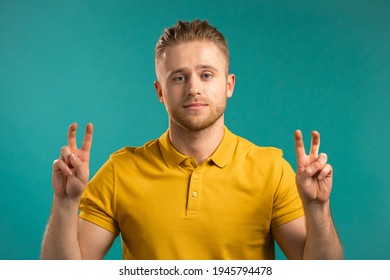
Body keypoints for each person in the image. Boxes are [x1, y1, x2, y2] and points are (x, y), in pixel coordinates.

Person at [41, 19, 343, 260]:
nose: (193, 88)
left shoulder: (272, 170)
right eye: (179, 77)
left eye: (207, 75)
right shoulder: (121, 171)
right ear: (160, 92)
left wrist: (317, 209)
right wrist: (65, 202)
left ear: (229, 85)